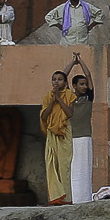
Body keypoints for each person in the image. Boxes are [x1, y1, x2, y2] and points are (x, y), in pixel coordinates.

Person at [40, 68, 74, 204]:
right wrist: (52, 101)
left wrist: (59, 100)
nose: (56, 82)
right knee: (51, 163)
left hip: (64, 132)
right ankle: (55, 197)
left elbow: (70, 113)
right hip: (51, 132)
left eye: (59, 79)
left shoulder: (69, 95)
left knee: (64, 165)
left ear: (65, 82)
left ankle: (67, 198)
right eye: (54, 79)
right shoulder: (47, 96)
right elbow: (44, 116)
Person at [67, 60, 96, 202]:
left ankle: (84, 199)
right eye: (81, 84)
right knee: (73, 170)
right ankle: (74, 198)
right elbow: (63, 76)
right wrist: (72, 63)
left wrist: (81, 62)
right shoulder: (68, 98)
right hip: (69, 138)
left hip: (84, 138)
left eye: (85, 84)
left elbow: (89, 75)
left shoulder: (88, 99)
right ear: (74, 86)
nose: (84, 86)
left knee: (84, 169)